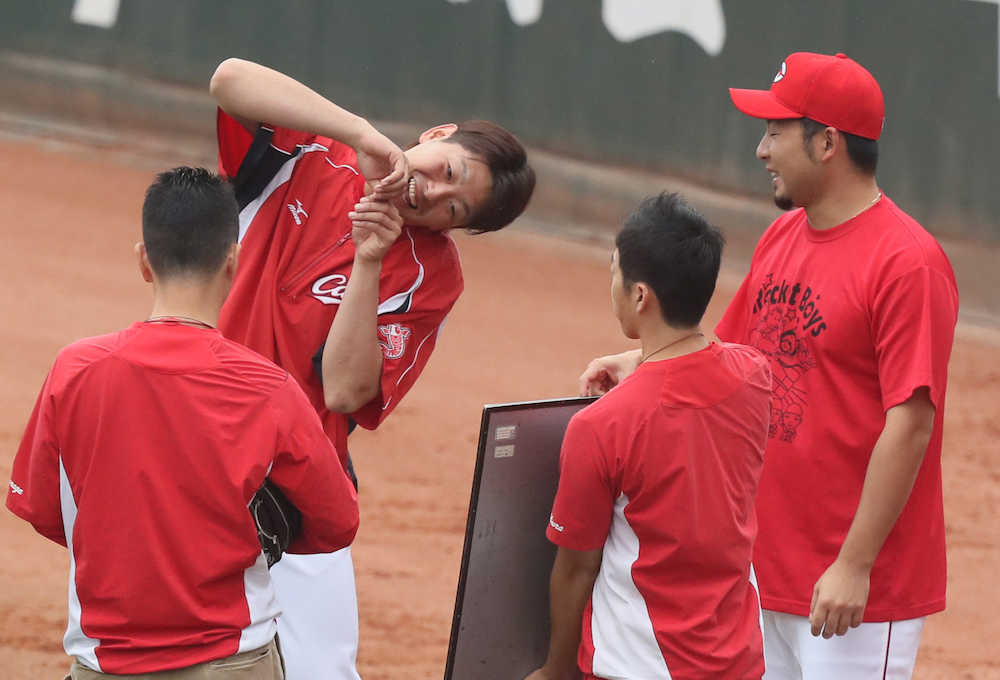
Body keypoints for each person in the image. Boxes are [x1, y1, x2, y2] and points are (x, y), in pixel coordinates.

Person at [579, 53, 959, 679]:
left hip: (857, 589)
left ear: (828, 142)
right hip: (766, 569)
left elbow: (911, 423)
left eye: (776, 132)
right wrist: (639, 362)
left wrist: (854, 563)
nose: (761, 149)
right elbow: (734, 353)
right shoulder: (783, 237)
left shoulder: (906, 263)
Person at [208, 58, 535, 680]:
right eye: (449, 172)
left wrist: (368, 259)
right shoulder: (315, 149)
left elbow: (346, 388)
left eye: (454, 209)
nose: (433, 194)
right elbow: (228, 80)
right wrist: (360, 132)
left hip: (292, 483)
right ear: (438, 134)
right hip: (196, 438)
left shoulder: (429, 273)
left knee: (321, 672)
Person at [5, 167, 359, 679]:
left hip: (105, 663)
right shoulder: (268, 387)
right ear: (233, 262)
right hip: (233, 662)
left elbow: (41, 508)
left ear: (144, 261)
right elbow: (336, 521)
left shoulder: (75, 368)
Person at [528, 193, 771, 680]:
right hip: (737, 663)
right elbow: (713, 352)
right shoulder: (755, 377)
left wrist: (555, 669)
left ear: (640, 296)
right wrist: (641, 358)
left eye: (615, 271)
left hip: (638, 664)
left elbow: (576, 568)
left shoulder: (602, 424)